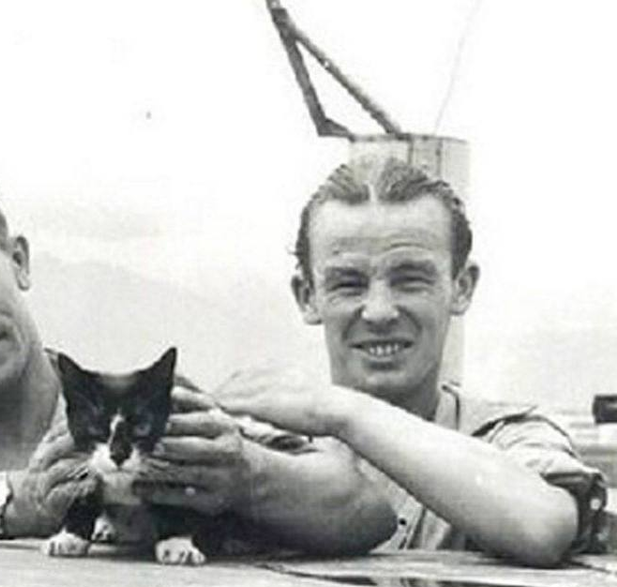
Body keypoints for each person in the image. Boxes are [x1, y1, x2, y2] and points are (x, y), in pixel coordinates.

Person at [0, 159, 395, 554]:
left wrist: (246, 476)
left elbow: (362, 508)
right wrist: (22, 501)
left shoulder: (145, 409)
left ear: (19, 262)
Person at [213, 156, 607, 566]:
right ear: (307, 296)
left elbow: (543, 525)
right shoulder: (252, 441)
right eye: (349, 284)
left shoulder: (507, 437)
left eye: (410, 280)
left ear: (461, 287)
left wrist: (341, 412)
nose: (379, 312)